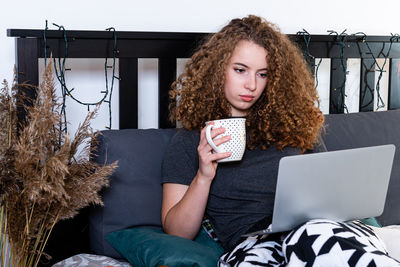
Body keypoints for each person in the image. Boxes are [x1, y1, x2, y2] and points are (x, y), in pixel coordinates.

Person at [161, 15, 399, 266]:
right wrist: (204, 176)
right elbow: (177, 231)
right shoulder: (190, 142)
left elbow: (329, 192)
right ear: (218, 69)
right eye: (240, 70)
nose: (251, 85)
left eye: (263, 74)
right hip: (254, 244)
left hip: (319, 229)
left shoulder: (295, 126)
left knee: (312, 237)